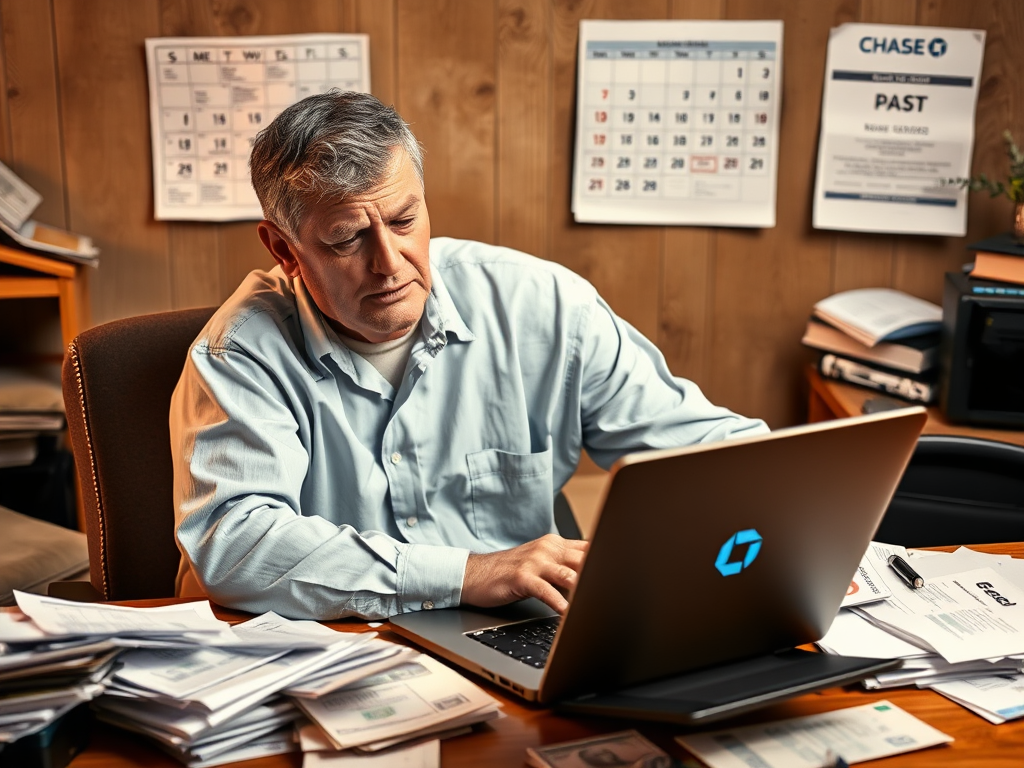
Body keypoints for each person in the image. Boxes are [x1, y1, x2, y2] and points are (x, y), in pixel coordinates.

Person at [170, 90, 768, 621]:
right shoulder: (237, 353)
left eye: (405, 220)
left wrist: (790, 522)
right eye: (348, 239)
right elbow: (236, 544)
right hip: (341, 649)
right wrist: (467, 573)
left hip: (522, 634)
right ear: (285, 249)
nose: (390, 262)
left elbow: (697, 448)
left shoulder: (543, 305)